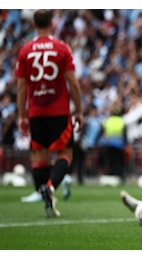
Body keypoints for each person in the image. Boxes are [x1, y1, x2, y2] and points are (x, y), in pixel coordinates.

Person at [15, 9, 83, 217]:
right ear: (52, 24)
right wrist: (79, 111)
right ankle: (51, 186)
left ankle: (45, 194)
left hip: (36, 111)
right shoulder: (61, 48)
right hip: (59, 110)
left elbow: (21, 87)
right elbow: (72, 81)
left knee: (40, 156)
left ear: (34, 24)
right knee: (66, 154)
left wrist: (22, 115)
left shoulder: (25, 51)